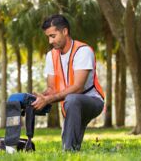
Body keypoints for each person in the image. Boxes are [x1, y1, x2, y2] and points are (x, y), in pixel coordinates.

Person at [31, 14, 104, 151]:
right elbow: (52, 88)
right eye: (48, 37)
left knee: (72, 99)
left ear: (65, 31)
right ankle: (71, 149)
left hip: (92, 101)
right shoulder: (51, 55)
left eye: (53, 36)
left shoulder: (83, 51)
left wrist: (49, 100)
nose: (50, 41)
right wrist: (42, 97)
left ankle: (69, 150)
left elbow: (78, 88)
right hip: (70, 103)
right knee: (70, 140)